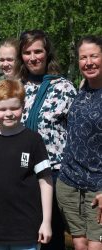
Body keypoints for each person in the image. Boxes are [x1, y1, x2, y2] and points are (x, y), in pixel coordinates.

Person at [0, 79, 53, 250]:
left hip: (27, 228)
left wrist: (46, 222)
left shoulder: (33, 140)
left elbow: (45, 181)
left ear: (23, 106)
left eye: (14, 108)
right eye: (2, 109)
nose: (8, 113)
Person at [18, 29, 77, 250]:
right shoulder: (18, 87)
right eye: (27, 52)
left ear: (47, 53)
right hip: (23, 170)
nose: (33, 57)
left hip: (54, 172)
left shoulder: (64, 88)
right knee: (25, 233)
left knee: (51, 235)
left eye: (38, 51)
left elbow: (75, 134)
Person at [57, 35, 102, 250]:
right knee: (78, 243)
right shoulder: (82, 87)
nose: (89, 62)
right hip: (69, 182)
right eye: (83, 57)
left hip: (98, 186)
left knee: (96, 245)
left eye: (94, 56)